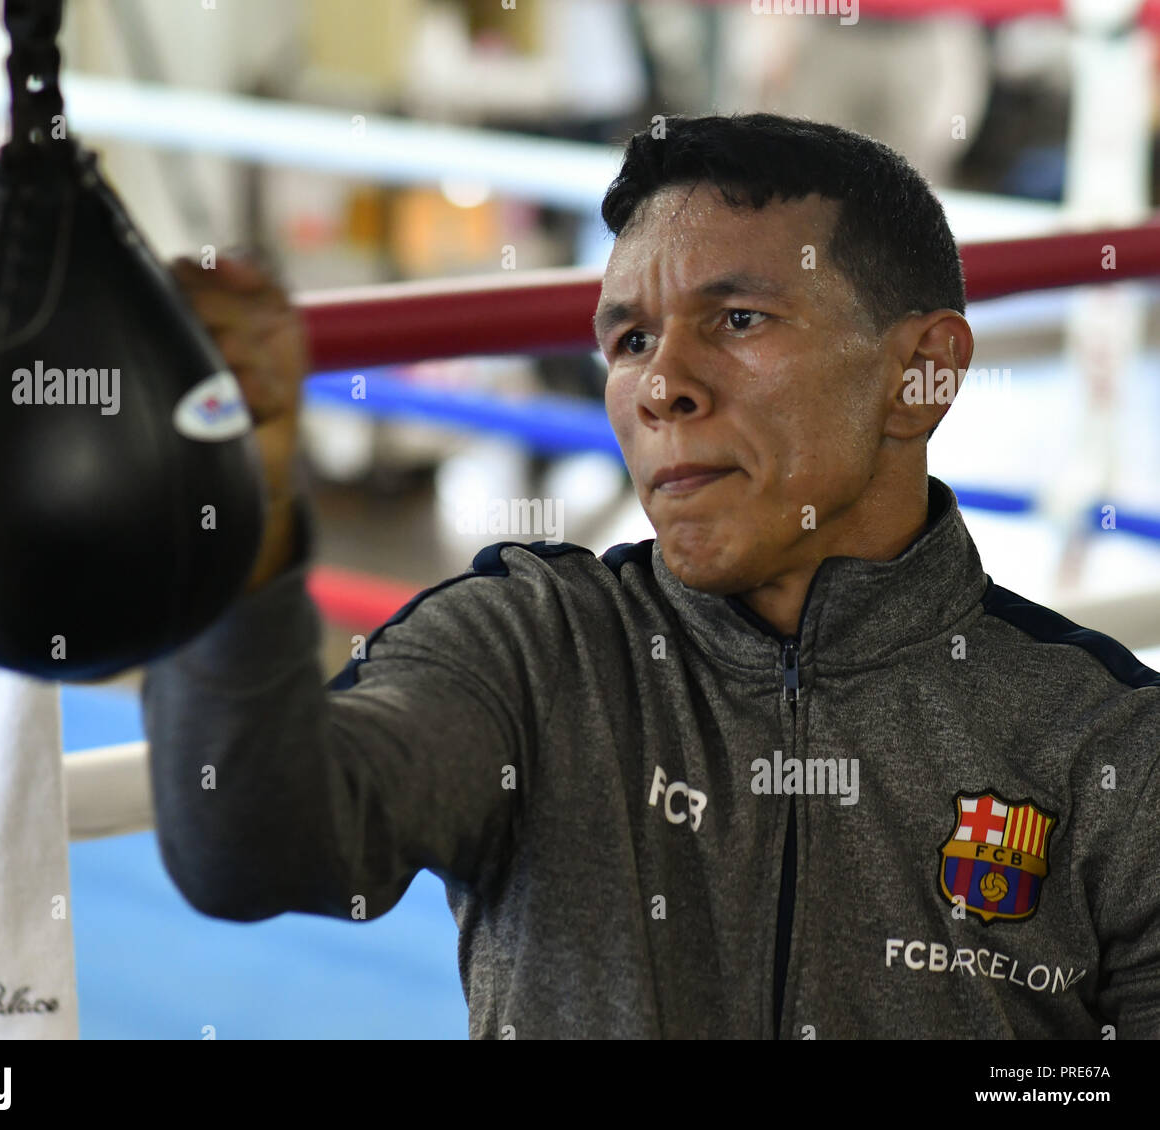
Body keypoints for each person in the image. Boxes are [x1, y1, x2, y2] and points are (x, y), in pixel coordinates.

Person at [145, 113, 1160, 1039]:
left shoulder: (1105, 745)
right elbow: (250, 841)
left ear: (919, 374)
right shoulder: (534, 650)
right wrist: (233, 512)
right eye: (629, 338)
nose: (662, 384)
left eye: (739, 319)